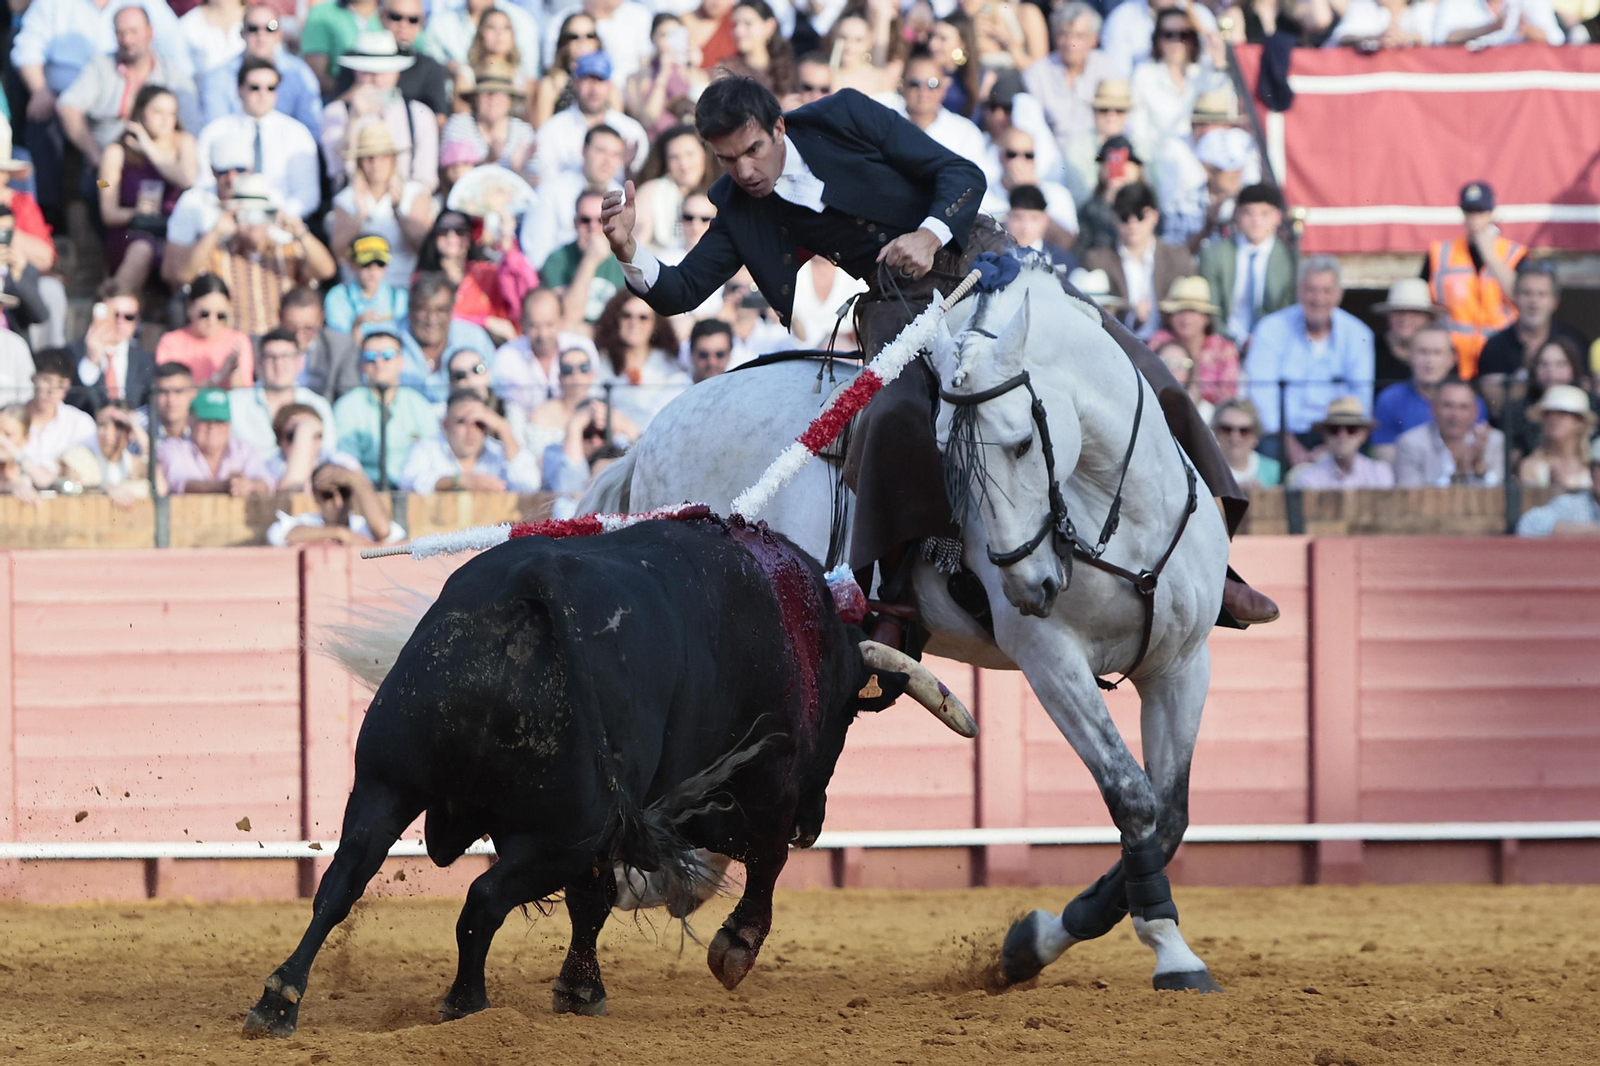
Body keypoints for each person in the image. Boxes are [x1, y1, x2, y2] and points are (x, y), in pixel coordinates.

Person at [602, 76, 1277, 634]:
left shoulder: (842, 116)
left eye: (751, 150)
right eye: (727, 160)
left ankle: (1214, 568)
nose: (744, 171)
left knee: (1135, 364)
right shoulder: (739, 204)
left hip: (982, 259)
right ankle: (896, 600)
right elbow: (683, 290)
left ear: (778, 128)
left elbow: (960, 173)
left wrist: (928, 233)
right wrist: (630, 250)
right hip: (901, 300)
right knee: (891, 417)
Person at [1244, 256, 1375, 463]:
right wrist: (1289, 445)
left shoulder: (1358, 333)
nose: (1318, 299)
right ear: (1299, 291)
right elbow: (1261, 397)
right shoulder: (1270, 329)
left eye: (1326, 291)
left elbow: (1361, 399)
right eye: (1311, 290)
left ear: (1339, 294)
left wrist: (1329, 448)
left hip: (1337, 432)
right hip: (1281, 434)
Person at [55, 8, 202, 178]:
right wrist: (95, 155)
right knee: (100, 187)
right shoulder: (100, 67)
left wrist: (161, 154)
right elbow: (68, 107)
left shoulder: (174, 77)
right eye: (120, 33)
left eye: (133, 32)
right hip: (104, 168)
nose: (127, 40)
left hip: (159, 171)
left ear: (150, 32)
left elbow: (191, 130)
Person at [95, 85, 196, 295]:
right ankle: (113, 308)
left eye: (171, 113)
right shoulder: (116, 152)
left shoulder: (184, 142)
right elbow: (108, 211)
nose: (165, 120)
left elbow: (186, 179)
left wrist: (149, 148)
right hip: (131, 232)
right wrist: (138, 213)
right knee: (143, 248)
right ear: (141, 112)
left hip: (175, 231)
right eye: (158, 112)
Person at [194, 56, 322, 218]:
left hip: (282, 226)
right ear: (239, 89)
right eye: (255, 87)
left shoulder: (297, 133)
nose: (263, 94)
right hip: (227, 222)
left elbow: (307, 194)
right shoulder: (215, 132)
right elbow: (204, 185)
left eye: (271, 88)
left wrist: (275, 219)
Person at [1425, 181, 1527, 380]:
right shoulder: (1440, 252)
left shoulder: (1514, 253)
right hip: (1453, 362)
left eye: (1480, 212)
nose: (1474, 219)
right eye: (1469, 212)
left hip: (1499, 357)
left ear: (1491, 214)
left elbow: (1521, 297)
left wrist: (1490, 256)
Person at [321, 32, 441, 193]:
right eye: (368, 72)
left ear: (397, 72)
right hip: (354, 204)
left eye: (384, 72)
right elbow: (337, 170)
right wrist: (354, 119)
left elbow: (425, 178)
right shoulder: (335, 113)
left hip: (406, 202)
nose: (377, 80)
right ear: (357, 72)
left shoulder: (420, 115)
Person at [328, 124, 434, 290]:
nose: (376, 164)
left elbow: (421, 246)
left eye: (382, 157)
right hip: (360, 289)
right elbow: (340, 253)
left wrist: (397, 211)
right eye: (369, 157)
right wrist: (360, 214)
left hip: (404, 286)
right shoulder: (346, 199)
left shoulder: (415, 192)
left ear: (392, 159)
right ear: (359, 163)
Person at [1084, 181, 1192, 341]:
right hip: (1119, 346)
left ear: (1155, 216)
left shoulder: (1177, 257)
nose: (1133, 223)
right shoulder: (1098, 260)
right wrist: (1133, 317)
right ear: (1115, 218)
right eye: (1125, 217)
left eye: (1140, 216)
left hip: (1169, 345)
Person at [1475, 261, 1585, 418]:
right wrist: (1528, 372)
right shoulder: (1495, 347)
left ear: (1554, 301)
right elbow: (1496, 406)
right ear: (1515, 297)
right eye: (1527, 293)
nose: (1534, 302)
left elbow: (1585, 395)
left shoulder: (1574, 342)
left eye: (1542, 294)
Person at [333, 325, 438, 487]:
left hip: (412, 490)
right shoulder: (347, 406)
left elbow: (433, 456)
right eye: (370, 356)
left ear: (401, 362)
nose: (379, 362)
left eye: (388, 355)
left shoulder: (419, 405)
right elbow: (346, 460)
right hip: (362, 491)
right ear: (362, 364)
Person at [415, 209, 536, 343]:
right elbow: (426, 319)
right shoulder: (423, 278)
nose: (451, 236)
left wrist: (508, 244)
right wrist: (484, 322)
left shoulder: (486, 273)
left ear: (470, 236)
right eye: (443, 231)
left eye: (460, 231)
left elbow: (527, 295)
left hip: (492, 350)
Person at [1197, 183, 1293, 349]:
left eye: (1264, 214)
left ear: (1278, 217)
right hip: (1224, 345)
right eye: (1249, 213)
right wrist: (1235, 342)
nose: (1256, 221)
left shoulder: (1290, 260)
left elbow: (1289, 311)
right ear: (1237, 214)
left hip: (1275, 345)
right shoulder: (1214, 255)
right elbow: (1211, 311)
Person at [199, 4, 322, 134]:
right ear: (242, 33)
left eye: (271, 27)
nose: (261, 35)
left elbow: (312, 128)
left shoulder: (299, 73)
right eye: (253, 28)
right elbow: (214, 132)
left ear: (280, 34)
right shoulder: (218, 77)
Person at [1368, 325, 1483, 464]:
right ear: (1409, 355)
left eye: (1437, 353)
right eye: (1423, 352)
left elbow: (1476, 454)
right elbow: (1385, 458)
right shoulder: (1389, 399)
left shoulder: (1470, 402)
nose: (1429, 361)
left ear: (1452, 359)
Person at [1128, 6, 1231, 158]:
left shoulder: (1205, 72)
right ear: (1157, 39)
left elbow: (1227, 108)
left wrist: (1219, 62)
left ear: (1193, 40)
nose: (1177, 42)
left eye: (1184, 35)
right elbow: (1137, 132)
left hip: (1204, 160)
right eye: (1169, 35)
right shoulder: (1143, 74)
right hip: (1160, 162)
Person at [522, 124, 629, 268]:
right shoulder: (551, 190)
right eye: (601, 151)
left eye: (615, 155)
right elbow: (535, 251)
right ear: (584, 151)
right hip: (558, 277)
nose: (607, 161)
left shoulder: (623, 198)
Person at [401, 387, 541, 493]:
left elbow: (529, 485)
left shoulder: (498, 451)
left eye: (479, 423)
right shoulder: (426, 448)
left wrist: (503, 428)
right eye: (461, 422)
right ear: (445, 424)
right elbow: (407, 484)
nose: (471, 431)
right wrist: (457, 481)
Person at [536, 52, 651, 182]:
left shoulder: (631, 130)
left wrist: (627, 169)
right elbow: (545, 181)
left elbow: (641, 184)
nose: (594, 88)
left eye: (600, 80)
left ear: (609, 86)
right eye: (587, 79)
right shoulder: (553, 130)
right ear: (575, 83)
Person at [229, 327, 339, 457]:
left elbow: (327, 453)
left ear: (300, 362)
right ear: (259, 364)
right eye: (271, 357)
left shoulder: (318, 405)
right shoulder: (234, 404)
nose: (279, 364)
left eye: (286, 356)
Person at [490, 288, 597, 416]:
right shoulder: (506, 357)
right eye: (534, 326)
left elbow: (595, 396)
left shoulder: (583, 347)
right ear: (522, 323)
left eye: (549, 325)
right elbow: (508, 410)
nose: (543, 334)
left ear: (562, 321)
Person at [1023, 3, 1114, 152]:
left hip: (1096, 154)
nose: (1071, 43)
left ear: (1094, 39)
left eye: (1079, 36)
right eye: (1064, 35)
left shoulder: (1107, 69)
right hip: (1050, 156)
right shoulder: (1037, 73)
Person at [593, 290, 690, 426]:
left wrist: (626, 426)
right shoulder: (601, 362)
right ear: (616, 320)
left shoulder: (669, 366)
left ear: (655, 324)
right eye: (627, 316)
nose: (634, 323)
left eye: (643, 317)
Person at [395, 273, 496, 403]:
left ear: (451, 309)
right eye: (423, 310)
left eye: (440, 310)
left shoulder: (474, 338)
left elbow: (493, 386)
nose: (431, 319)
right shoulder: (390, 338)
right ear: (410, 308)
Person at [157, 387, 273, 495]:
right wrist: (222, 486)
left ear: (229, 425)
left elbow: (267, 483)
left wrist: (249, 485)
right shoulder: (173, 448)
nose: (212, 426)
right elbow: (180, 483)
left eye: (219, 421)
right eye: (205, 420)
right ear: (191, 421)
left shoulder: (244, 450)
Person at [1393, 379, 1504, 488]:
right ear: (1433, 409)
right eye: (1448, 405)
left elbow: (1502, 494)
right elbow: (1409, 496)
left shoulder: (1493, 440)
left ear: (1475, 412)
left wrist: (1480, 469)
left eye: (1463, 407)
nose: (1455, 415)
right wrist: (1459, 471)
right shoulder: (1410, 443)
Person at [1148, 276, 1239, 407]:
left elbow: (1228, 396)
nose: (1185, 318)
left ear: (1206, 317)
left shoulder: (1224, 348)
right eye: (1179, 311)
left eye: (1192, 311)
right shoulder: (1159, 342)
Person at [266, 460, 403, 545]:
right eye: (328, 495)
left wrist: (354, 479)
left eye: (344, 493)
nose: (338, 502)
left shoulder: (362, 525)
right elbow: (281, 535)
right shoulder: (306, 521)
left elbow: (385, 531)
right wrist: (340, 533)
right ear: (315, 497)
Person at [542, 191, 628, 326]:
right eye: (585, 220)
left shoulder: (624, 260)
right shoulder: (557, 260)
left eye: (600, 220)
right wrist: (590, 261)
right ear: (575, 223)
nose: (592, 227)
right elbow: (568, 318)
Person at [442, 60, 537, 181]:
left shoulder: (523, 132)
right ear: (475, 98)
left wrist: (517, 169)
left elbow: (537, 181)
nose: (493, 99)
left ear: (510, 100)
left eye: (500, 93)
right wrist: (488, 161)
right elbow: (452, 178)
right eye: (486, 93)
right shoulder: (459, 124)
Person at [1502, 337, 1594, 462]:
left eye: (1560, 364)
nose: (1551, 372)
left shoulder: (1593, 405)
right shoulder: (1518, 410)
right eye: (1544, 364)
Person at [156, 274, 254, 388]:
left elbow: (244, 394)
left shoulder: (238, 341)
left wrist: (234, 369)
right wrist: (219, 376)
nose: (212, 321)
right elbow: (172, 393)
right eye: (204, 314)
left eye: (220, 316)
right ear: (189, 307)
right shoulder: (171, 342)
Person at [67, 290, 156, 414]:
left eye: (129, 317)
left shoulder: (147, 361)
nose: (120, 321)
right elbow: (71, 404)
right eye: (113, 315)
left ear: (137, 321)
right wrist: (91, 361)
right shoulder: (72, 353)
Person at [431, 0, 541, 96]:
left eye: (505, 28)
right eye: (491, 27)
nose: (499, 34)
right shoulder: (440, 23)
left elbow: (531, 77)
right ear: (480, 35)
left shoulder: (522, 21)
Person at [629, 125, 710, 256]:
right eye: (674, 157)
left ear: (704, 154)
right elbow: (637, 245)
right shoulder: (651, 192)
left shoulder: (722, 190)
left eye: (690, 154)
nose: (684, 164)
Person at [19, 349, 99, 480]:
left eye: (60, 384)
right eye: (47, 380)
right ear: (33, 378)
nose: (52, 390)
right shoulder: (10, 418)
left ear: (68, 386)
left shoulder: (81, 423)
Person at [626, 14, 708, 135]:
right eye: (664, 35)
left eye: (676, 35)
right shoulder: (637, 78)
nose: (671, 42)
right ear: (653, 38)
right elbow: (647, 120)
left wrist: (693, 69)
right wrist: (663, 74)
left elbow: (706, 112)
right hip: (657, 141)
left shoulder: (694, 72)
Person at [1288, 397, 1395, 490]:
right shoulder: (1307, 479)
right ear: (1324, 435)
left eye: (1351, 429)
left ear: (1363, 435)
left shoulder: (1380, 473)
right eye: (1334, 429)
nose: (1342, 436)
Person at [282, 287, 363, 403]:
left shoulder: (341, 347)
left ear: (320, 319)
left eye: (308, 329)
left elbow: (349, 399)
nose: (298, 337)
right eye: (291, 328)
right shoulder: (261, 349)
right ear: (280, 318)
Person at [1368, 277, 1445, 392]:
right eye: (1398, 311)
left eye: (1414, 312)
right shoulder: (1370, 350)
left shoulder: (1442, 353)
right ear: (1388, 316)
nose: (1405, 318)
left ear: (1428, 318)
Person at [325, 236, 413, 337]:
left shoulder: (400, 297)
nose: (373, 271)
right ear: (351, 264)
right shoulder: (337, 297)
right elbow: (338, 342)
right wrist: (356, 326)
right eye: (366, 264)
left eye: (380, 264)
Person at [533, 11, 605, 130]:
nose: (582, 42)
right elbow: (541, 132)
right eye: (574, 37)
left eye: (590, 36)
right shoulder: (552, 84)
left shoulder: (607, 83)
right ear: (564, 43)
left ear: (597, 41)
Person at [1516, 437, 1600, 537]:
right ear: (1591, 471)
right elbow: (1528, 525)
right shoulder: (1575, 505)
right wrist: (1591, 531)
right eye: (1599, 467)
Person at [1517, 384, 1595, 492]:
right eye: (1548, 414)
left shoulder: (1593, 467)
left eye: (1562, 413)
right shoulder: (1530, 466)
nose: (1553, 419)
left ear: (1579, 422)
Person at [1075, 135, 1145, 253]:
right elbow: (1086, 249)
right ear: (1101, 169)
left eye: (1125, 160)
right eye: (1111, 161)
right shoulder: (1089, 210)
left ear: (1136, 168)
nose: (1120, 168)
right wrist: (1106, 204)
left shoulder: (1148, 204)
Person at [1004, 185, 1076, 273]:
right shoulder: (993, 255)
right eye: (1018, 217)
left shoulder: (1063, 260)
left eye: (1034, 218)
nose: (1025, 226)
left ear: (1045, 220)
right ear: (1008, 217)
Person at [1211, 398, 1278, 489]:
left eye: (1244, 431)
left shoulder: (1274, 471)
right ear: (1216, 432)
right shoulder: (1206, 471)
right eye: (1227, 429)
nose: (1235, 436)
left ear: (1256, 435)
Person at [151, 362, 199, 441]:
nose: (171, 399)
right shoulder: (136, 426)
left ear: (193, 393)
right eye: (163, 392)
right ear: (154, 395)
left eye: (178, 391)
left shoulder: (205, 429)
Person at [687, 318, 733, 383]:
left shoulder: (743, 388)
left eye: (720, 355)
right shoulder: (675, 391)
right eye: (703, 355)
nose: (712, 362)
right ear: (691, 354)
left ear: (729, 355)